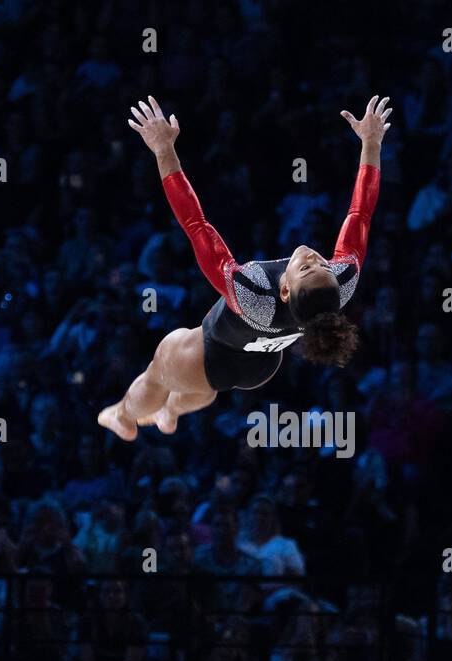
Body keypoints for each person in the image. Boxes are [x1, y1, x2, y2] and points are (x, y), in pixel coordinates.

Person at [98, 94, 391, 440]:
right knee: (203, 391)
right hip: (261, 369)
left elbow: (196, 226)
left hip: (209, 354)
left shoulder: (252, 294)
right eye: (325, 263)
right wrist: (371, 144)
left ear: (284, 291)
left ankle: (123, 416)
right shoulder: (337, 288)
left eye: (306, 269)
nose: (314, 256)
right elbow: (361, 214)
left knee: (156, 374)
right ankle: (172, 412)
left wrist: (164, 151)